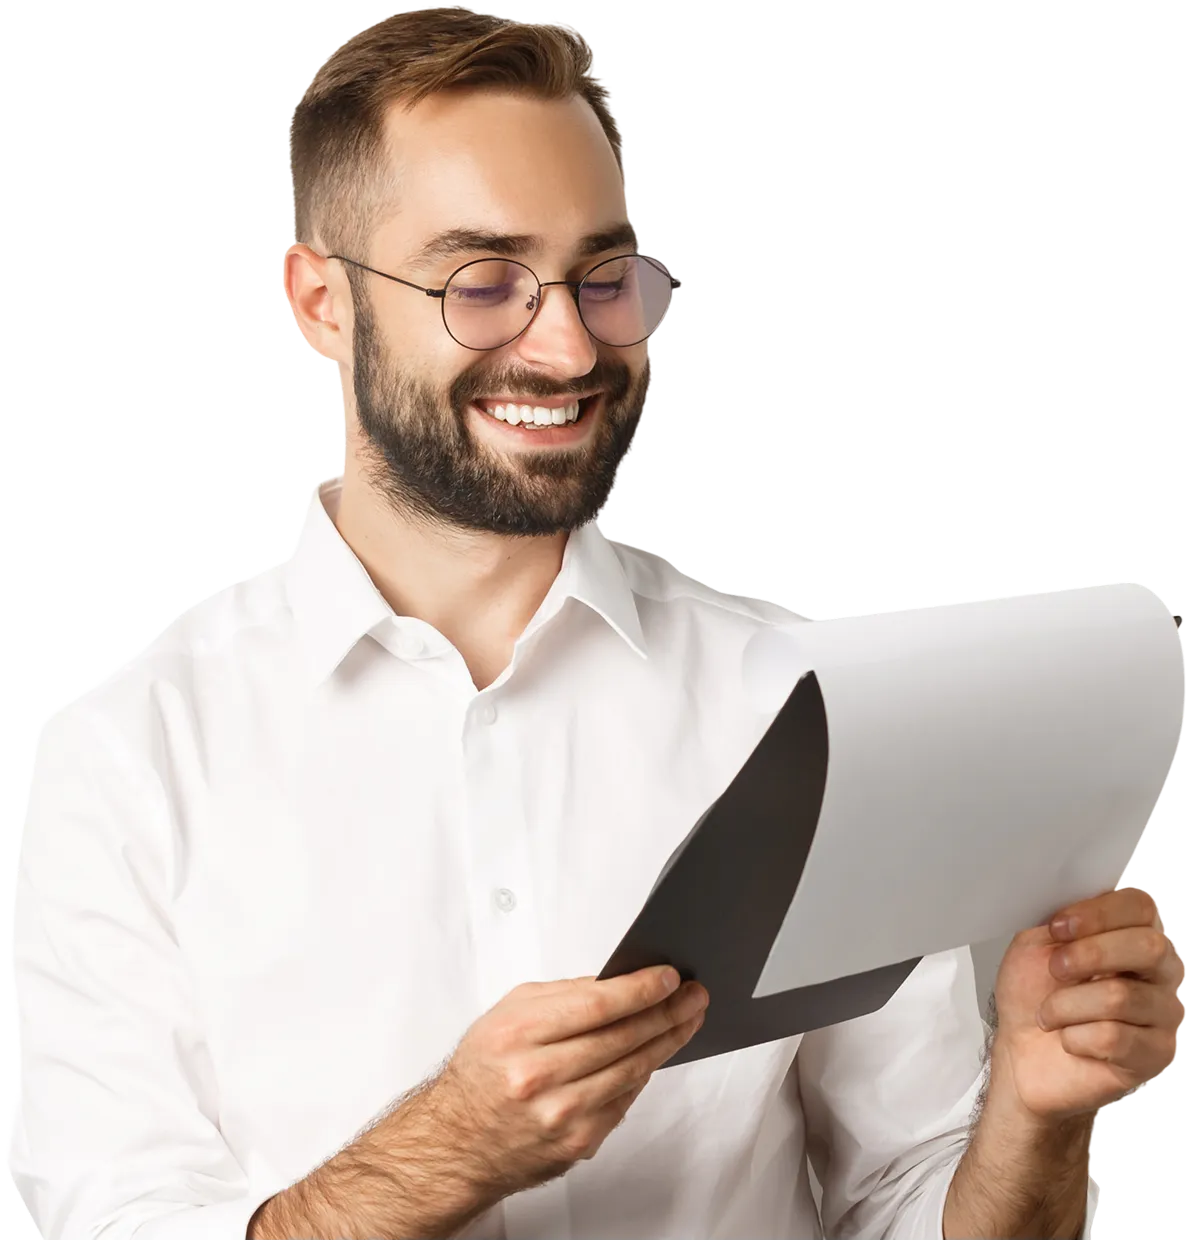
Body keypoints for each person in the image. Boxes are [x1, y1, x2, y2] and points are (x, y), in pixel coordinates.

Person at [12, 10, 1182, 1240]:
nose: (568, 344)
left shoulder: (795, 707)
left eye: (603, 275)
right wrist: (449, 1149)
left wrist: (1037, 1119)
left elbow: (910, 1204)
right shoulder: (129, 757)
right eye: (484, 282)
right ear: (322, 305)